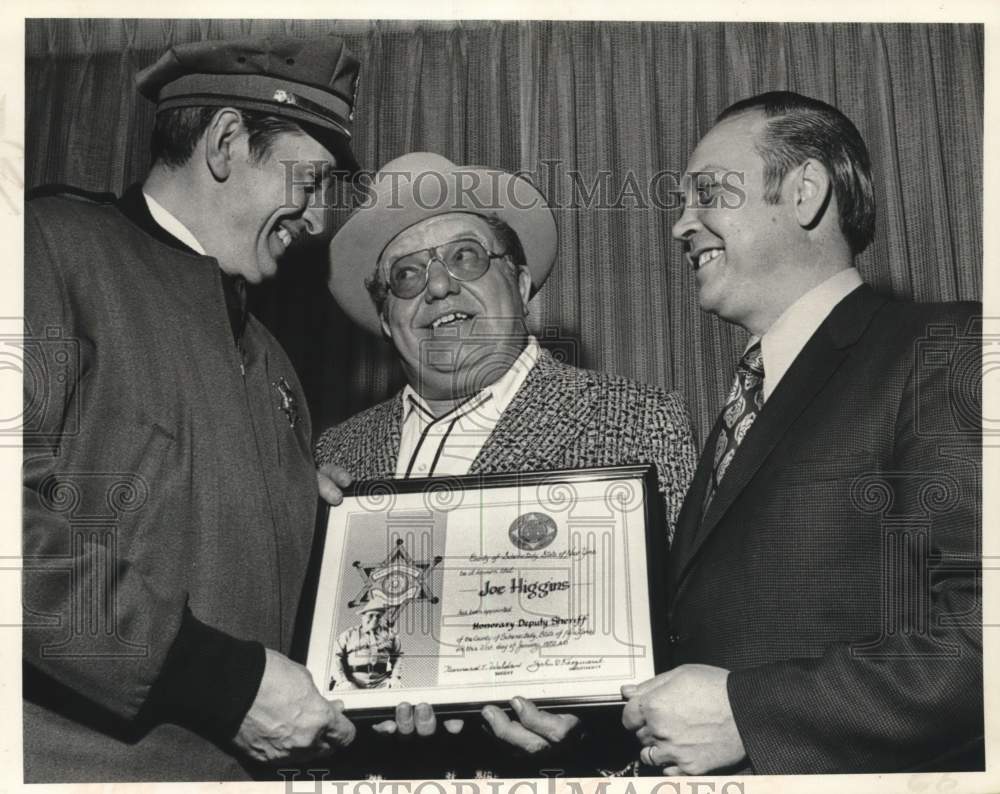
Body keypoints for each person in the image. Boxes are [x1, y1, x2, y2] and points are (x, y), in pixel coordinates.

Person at [23, 35, 363, 782]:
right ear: (226, 141)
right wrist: (220, 683)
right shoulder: (44, 247)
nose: (316, 221)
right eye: (310, 182)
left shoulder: (273, 360)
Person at [622, 91, 983, 774]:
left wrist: (750, 713)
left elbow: (982, 635)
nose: (679, 226)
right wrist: (589, 715)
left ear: (804, 193)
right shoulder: (749, 396)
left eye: (707, 194)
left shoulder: (945, 350)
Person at [315, 151, 697, 777]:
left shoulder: (638, 419)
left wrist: (592, 734)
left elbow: (694, 638)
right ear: (386, 318)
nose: (439, 287)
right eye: (407, 275)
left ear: (519, 285)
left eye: (465, 257)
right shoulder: (334, 455)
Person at [332, 597, 403, 690]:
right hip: (353, 682)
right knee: (342, 691)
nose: (374, 619)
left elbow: (398, 656)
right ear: (363, 616)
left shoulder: (391, 635)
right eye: (371, 615)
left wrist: (395, 678)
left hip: (381, 682)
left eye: (378, 616)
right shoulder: (348, 635)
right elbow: (336, 657)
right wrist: (342, 681)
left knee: (397, 689)